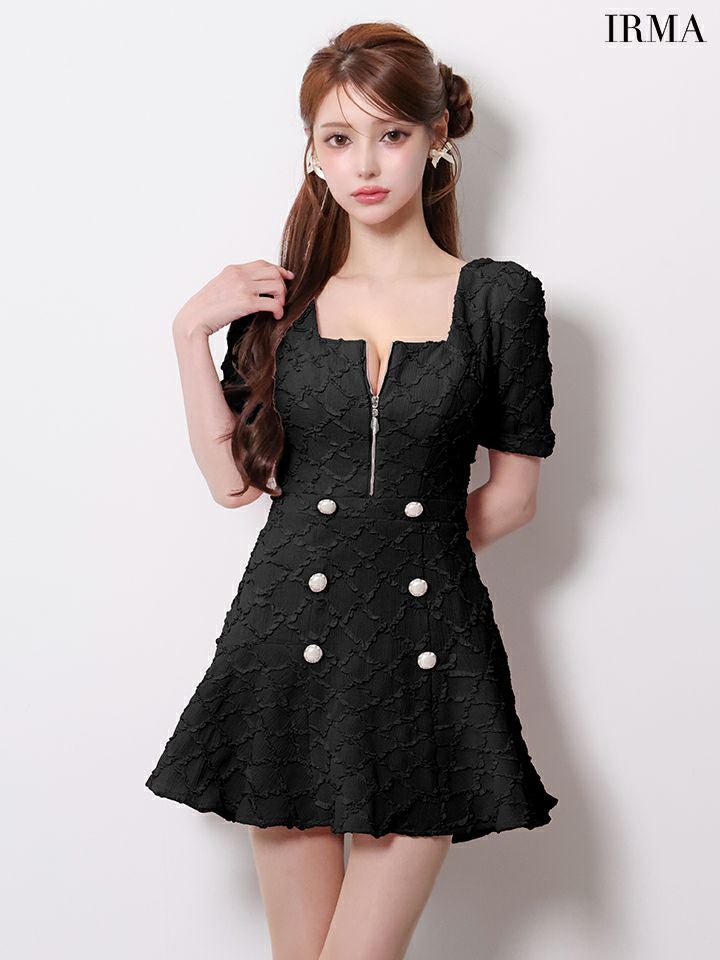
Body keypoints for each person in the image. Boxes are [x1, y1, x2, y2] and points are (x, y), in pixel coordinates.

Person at [145, 20, 558, 960]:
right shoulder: (279, 302)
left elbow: (512, 497)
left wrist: (399, 548)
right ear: (313, 153)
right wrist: (187, 333)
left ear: (435, 138)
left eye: (390, 134)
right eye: (338, 138)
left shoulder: (498, 298)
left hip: (427, 644)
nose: (364, 164)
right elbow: (230, 484)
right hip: (283, 640)